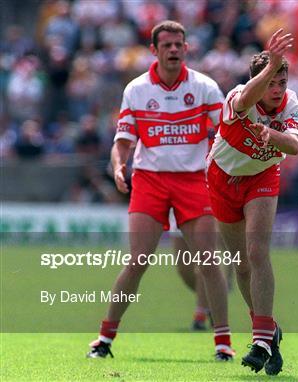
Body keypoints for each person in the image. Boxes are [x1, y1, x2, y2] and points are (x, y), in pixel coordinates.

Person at [86, 20, 234, 361]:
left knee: (208, 261)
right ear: (154, 50)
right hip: (151, 181)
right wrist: (119, 165)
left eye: (178, 45)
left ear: (186, 48)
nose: (173, 50)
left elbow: (226, 131)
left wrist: (224, 166)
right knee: (138, 260)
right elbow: (122, 141)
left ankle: (223, 342)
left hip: (194, 180)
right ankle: (105, 338)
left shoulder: (205, 87)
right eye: (166, 45)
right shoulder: (137, 90)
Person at [207, 29, 298, 375]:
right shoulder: (238, 96)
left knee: (257, 252)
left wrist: (273, 134)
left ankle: (260, 338)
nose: (277, 90)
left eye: (282, 81)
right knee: (241, 264)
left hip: (262, 178)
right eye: (271, 82)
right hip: (222, 179)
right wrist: (269, 68)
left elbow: (294, 146)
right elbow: (248, 100)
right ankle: (269, 329)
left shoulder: (292, 104)